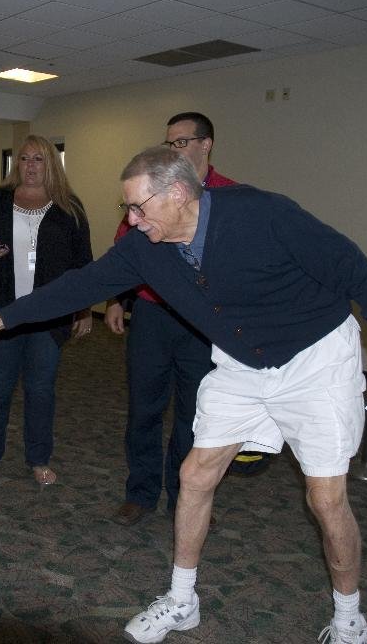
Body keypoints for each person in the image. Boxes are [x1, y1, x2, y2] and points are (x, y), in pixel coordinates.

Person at [0, 146, 367, 644]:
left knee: (326, 498)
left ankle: (349, 617)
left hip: (315, 358)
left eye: (138, 207)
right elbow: (78, 286)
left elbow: (348, 264)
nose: (132, 220)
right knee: (194, 475)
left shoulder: (260, 213)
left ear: (179, 192)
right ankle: (183, 600)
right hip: (242, 361)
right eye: (127, 209)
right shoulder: (145, 248)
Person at [105, 112, 237, 527]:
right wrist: (117, 299)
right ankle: (140, 492)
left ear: (206, 144)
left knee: (194, 414)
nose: (173, 149)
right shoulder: (153, 189)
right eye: (169, 143)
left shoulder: (229, 196)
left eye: (181, 142)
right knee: (144, 407)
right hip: (152, 314)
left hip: (201, 322)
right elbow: (124, 249)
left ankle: (185, 497)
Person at [0, 135, 93, 486]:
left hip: (48, 317)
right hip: (1, 313)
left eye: (38, 159)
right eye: (24, 159)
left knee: (41, 389)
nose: (31, 165)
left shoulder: (69, 206)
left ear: (51, 163)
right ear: (16, 164)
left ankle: (39, 459)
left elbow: (83, 264)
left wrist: (83, 310)